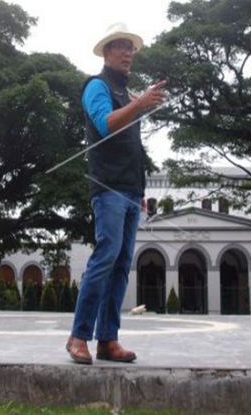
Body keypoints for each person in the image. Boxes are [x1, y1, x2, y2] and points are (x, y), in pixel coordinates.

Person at [66, 23, 166, 364]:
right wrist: (140, 105)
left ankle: (108, 340)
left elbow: (132, 146)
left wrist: (139, 191)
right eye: (121, 47)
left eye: (130, 48)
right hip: (107, 188)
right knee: (105, 256)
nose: (127, 53)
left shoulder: (126, 94)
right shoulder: (97, 86)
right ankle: (79, 335)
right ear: (106, 52)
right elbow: (105, 123)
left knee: (122, 264)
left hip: (128, 191)